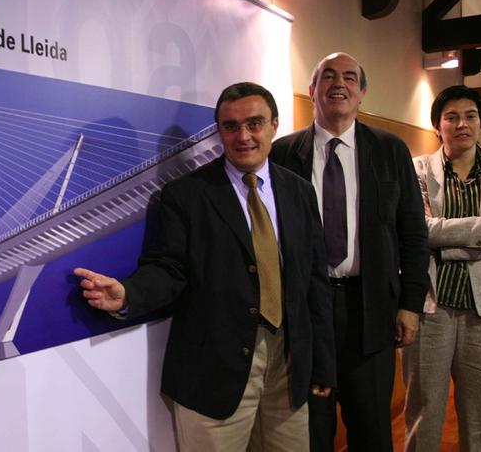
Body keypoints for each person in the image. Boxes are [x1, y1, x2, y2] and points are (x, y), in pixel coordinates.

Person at [75, 82, 336, 452]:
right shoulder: (186, 195)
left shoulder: (299, 191)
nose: (243, 136)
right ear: (219, 132)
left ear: (274, 126)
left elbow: (315, 280)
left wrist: (323, 361)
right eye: (231, 126)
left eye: (254, 123)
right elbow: (169, 269)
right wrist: (128, 294)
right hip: (214, 370)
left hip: (289, 367)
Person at [270, 52, 429, 451]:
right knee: (311, 431)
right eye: (328, 76)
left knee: (372, 430)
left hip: (371, 309)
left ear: (362, 93)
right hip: (306, 310)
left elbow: (413, 232)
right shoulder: (282, 154)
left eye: (349, 77)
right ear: (312, 90)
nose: (338, 83)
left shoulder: (391, 150)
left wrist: (410, 304)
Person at [401, 85, 481, 451]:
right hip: (430, 307)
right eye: (452, 117)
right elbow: (418, 231)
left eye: (470, 116)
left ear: (480, 122)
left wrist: (444, 245)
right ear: (437, 126)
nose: (462, 124)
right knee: (423, 410)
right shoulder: (416, 169)